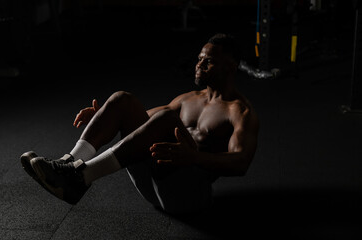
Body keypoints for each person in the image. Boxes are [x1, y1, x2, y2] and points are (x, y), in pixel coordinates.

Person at [21, 33, 259, 214]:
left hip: (190, 196)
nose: (199, 65)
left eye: (208, 61)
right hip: (155, 184)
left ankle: (81, 177)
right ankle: (69, 164)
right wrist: (105, 114)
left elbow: (242, 163)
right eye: (198, 59)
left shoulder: (240, 111)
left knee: (166, 119)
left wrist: (194, 158)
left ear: (231, 66)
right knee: (121, 100)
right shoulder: (188, 99)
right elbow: (143, 122)